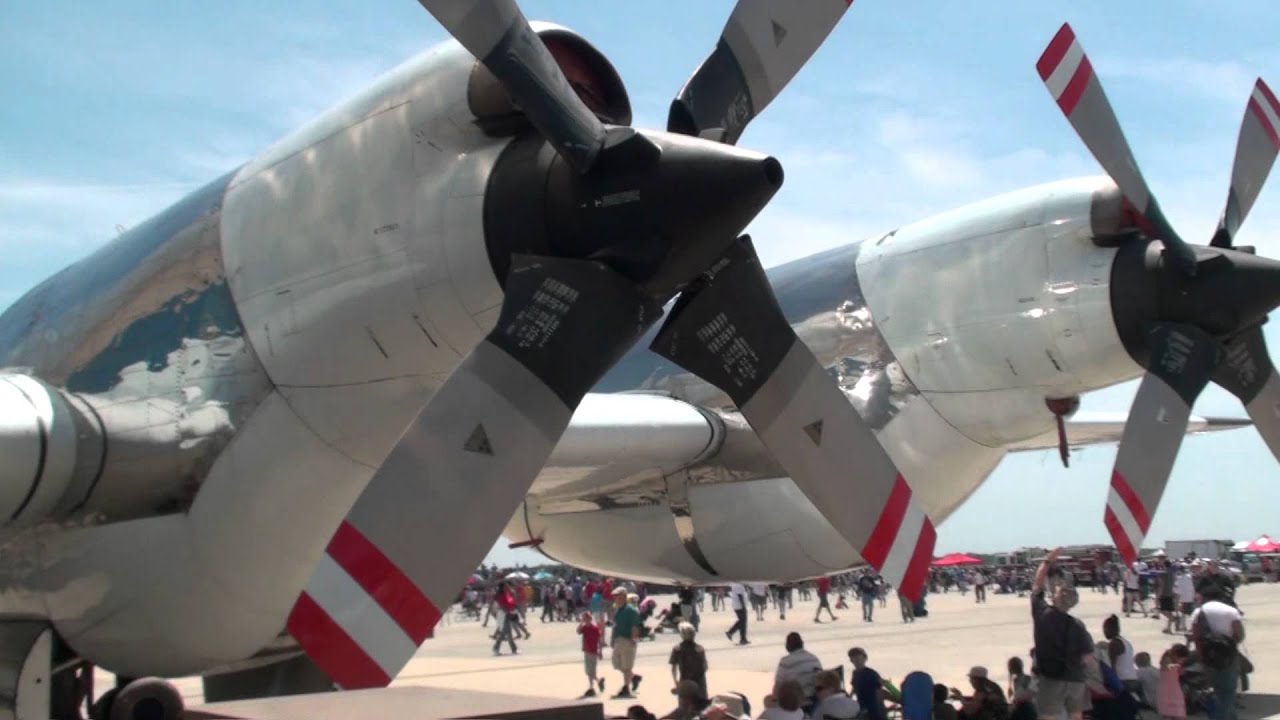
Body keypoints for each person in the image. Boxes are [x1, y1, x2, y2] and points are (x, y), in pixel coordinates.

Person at [1031, 548, 1095, 720]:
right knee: (1075, 716)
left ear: (1056, 597)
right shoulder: (1078, 625)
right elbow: (1087, 657)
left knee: (1048, 716)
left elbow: (1037, 584)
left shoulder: (1043, 614)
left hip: (1052, 678)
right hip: (1075, 679)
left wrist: (1047, 561)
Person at [1189, 596, 1244, 720]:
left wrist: (1201, 657)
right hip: (1228, 657)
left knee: (1217, 690)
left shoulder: (1198, 612)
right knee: (1228, 692)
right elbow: (1240, 635)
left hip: (1208, 656)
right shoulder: (1231, 611)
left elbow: (1196, 637)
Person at [774, 632, 822, 709]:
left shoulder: (785, 662)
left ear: (787, 646)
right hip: (814, 701)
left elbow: (778, 686)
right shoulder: (814, 658)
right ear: (802, 644)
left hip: (795, 702)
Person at [611, 587, 644, 699]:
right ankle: (634, 678)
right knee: (616, 664)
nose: (615, 598)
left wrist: (634, 639)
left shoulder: (631, 610)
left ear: (624, 596)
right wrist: (612, 639)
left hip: (627, 640)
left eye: (618, 596)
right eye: (615, 596)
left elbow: (635, 626)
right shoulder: (618, 610)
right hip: (618, 640)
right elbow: (615, 626)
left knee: (626, 666)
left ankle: (626, 689)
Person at [668, 622, 708, 700]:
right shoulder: (700, 648)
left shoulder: (677, 649)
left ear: (682, 635)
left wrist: (676, 683)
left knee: (684, 706)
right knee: (703, 706)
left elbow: (673, 669)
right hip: (700, 683)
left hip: (685, 681)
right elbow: (705, 667)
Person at [1102, 615, 1139, 696]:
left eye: (1105, 629)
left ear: (1111, 629)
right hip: (1133, 677)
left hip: (1122, 679)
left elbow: (1112, 665)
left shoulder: (1114, 643)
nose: (1104, 632)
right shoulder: (1126, 642)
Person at [849, 647, 888, 720]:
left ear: (865, 658)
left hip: (875, 710)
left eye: (858, 657)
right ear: (851, 660)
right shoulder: (855, 673)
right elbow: (854, 688)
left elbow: (881, 690)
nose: (856, 660)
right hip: (863, 709)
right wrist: (848, 699)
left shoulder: (871, 673)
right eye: (853, 657)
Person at [577, 612, 605, 698]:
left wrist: (600, 652)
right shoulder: (584, 628)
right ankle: (597, 682)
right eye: (584, 619)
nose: (585, 620)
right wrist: (581, 623)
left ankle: (592, 686)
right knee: (588, 670)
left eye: (586, 618)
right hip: (587, 651)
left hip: (593, 651)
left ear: (590, 619)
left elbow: (599, 641)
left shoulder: (595, 628)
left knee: (591, 670)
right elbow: (578, 631)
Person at [1157, 645, 1188, 720]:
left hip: (1175, 691)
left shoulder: (1175, 664)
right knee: (1169, 715)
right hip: (1168, 691)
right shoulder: (1167, 661)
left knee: (1179, 714)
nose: (1182, 661)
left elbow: (1181, 672)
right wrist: (1179, 665)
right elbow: (1167, 667)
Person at [492, 580, 519, 656]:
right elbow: (502, 605)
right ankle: (496, 648)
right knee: (504, 633)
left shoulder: (506, 594)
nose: (507, 587)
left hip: (507, 613)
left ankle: (514, 649)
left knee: (508, 633)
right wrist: (508, 612)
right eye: (506, 586)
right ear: (502, 587)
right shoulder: (500, 595)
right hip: (503, 614)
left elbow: (512, 600)